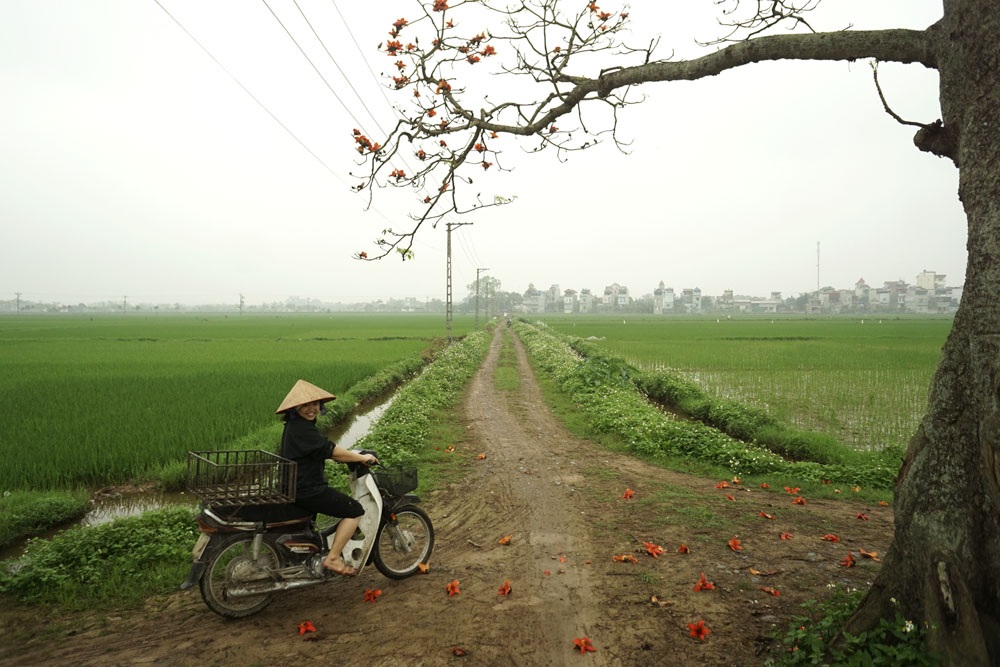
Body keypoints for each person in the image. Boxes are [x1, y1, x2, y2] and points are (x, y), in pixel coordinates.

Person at [275, 379, 378, 576]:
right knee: (354, 510)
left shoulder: (295, 426)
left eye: (315, 404)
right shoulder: (302, 429)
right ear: (295, 408)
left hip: (294, 486)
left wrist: (348, 455)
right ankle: (332, 558)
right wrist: (361, 457)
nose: (311, 409)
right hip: (306, 489)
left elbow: (322, 450)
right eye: (305, 405)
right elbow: (332, 451)